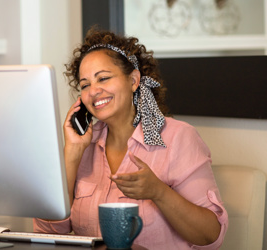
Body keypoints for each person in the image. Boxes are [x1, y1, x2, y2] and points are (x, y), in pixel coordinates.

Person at [34, 28, 228, 249]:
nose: (93, 91)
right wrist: (72, 153)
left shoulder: (178, 137)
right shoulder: (83, 144)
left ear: (134, 80)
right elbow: (47, 233)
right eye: (85, 84)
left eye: (103, 78)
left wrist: (159, 192)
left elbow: (211, 236)